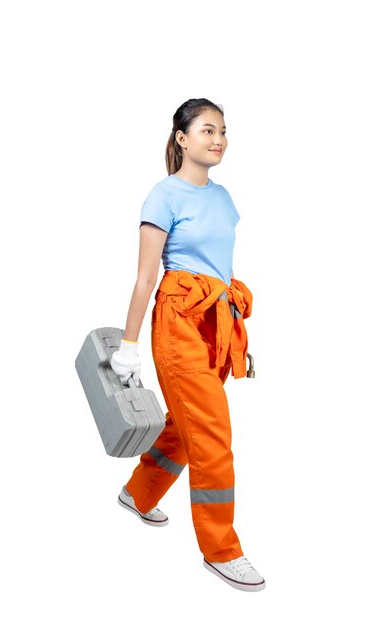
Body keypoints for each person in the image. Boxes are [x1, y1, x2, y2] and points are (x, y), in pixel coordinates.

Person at [110, 98, 265, 592]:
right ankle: (222, 550)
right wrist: (129, 345)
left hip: (216, 322)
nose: (217, 139)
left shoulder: (223, 199)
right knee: (213, 432)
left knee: (185, 423)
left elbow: (220, 268)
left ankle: (139, 493)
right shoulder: (163, 196)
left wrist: (236, 324)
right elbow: (145, 277)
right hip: (177, 324)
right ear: (181, 138)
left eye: (222, 131)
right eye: (206, 130)